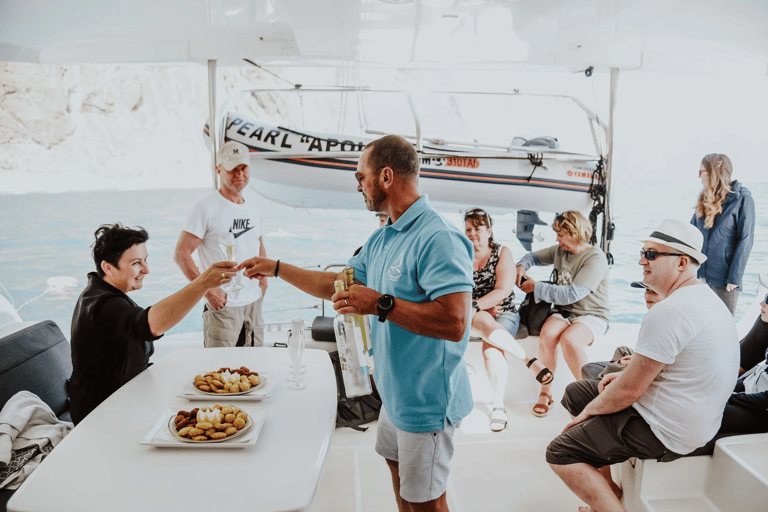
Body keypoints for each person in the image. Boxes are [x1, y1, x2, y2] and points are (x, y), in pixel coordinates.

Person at [236, 134, 474, 512]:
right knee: (400, 480)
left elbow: (456, 322)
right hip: (394, 396)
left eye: (360, 175)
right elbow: (337, 284)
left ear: (385, 177)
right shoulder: (382, 238)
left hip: (426, 400)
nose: (357, 184)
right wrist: (276, 268)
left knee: (427, 501)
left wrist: (381, 304)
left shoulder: (438, 237)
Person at [546, 219, 739, 512]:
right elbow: (663, 369)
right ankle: (609, 487)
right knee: (576, 392)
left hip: (667, 430)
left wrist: (587, 415)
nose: (641, 261)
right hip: (693, 419)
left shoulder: (670, 310)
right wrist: (621, 378)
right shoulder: (705, 299)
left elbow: (629, 392)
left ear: (682, 262)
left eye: (651, 254)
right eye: (643, 252)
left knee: (560, 452)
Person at [69, 223, 235, 425]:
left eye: (145, 260)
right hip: (103, 415)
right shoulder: (104, 304)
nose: (146, 270)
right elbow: (151, 325)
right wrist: (203, 283)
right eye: (136, 263)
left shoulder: (101, 294)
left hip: (124, 398)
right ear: (108, 267)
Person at [464, 207, 552, 432]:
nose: (472, 233)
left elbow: (503, 289)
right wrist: (476, 308)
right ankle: (529, 361)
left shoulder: (502, 252)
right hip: (473, 315)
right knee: (483, 317)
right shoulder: (461, 254)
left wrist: (476, 304)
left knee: (492, 350)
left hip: (504, 312)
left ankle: (498, 407)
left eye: (477, 228)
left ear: (489, 230)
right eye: (468, 229)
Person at [515, 210, 610, 417]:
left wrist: (536, 287)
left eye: (561, 235)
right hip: (565, 312)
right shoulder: (560, 251)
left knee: (569, 340)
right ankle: (546, 392)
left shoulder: (595, 258)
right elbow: (532, 257)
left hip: (592, 315)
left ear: (575, 233)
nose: (557, 239)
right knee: (548, 334)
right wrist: (521, 267)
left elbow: (573, 294)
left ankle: (590, 395)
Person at [174, 140, 268, 348]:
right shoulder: (206, 206)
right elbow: (181, 254)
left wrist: (263, 283)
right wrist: (207, 291)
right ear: (219, 170)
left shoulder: (254, 208)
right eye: (233, 169)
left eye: (243, 168)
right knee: (220, 372)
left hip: (253, 303)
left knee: (255, 369)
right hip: (223, 305)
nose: (239, 175)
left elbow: (258, 244)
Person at [691, 153, 755, 316]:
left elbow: (745, 240)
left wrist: (734, 277)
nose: (699, 178)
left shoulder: (742, 199)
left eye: (702, 172)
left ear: (713, 173)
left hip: (726, 282)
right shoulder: (704, 199)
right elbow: (691, 234)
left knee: (722, 330)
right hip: (700, 277)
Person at [580, 282, 660, 380]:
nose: (647, 294)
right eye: (647, 290)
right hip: (645, 361)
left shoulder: (661, 322)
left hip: (648, 371)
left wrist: (634, 362)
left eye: (654, 291)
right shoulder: (653, 315)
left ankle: (604, 381)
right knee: (622, 350)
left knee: (588, 371)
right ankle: (606, 377)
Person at [720, 293, 768, 434]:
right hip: (755, 390)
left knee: (707, 410)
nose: (761, 303)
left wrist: (730, 397)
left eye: (767, 301)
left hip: (763, 410)